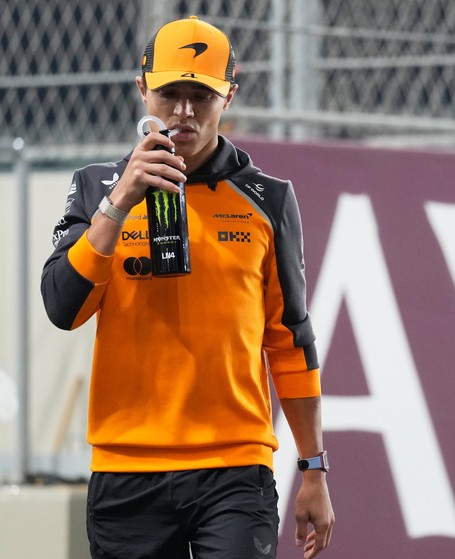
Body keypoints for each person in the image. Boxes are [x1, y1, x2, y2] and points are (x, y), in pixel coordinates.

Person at [40, 16, 334, 559]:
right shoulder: (95, 187)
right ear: (142, 89)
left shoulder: (268, 199)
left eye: (201, 95)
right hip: (126, 469)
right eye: (169, 92)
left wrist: (313, 469)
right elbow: (63, 306)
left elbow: (290, 341)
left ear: (229, 97)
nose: (183, 111)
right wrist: (118, 203)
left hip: (235, 470)